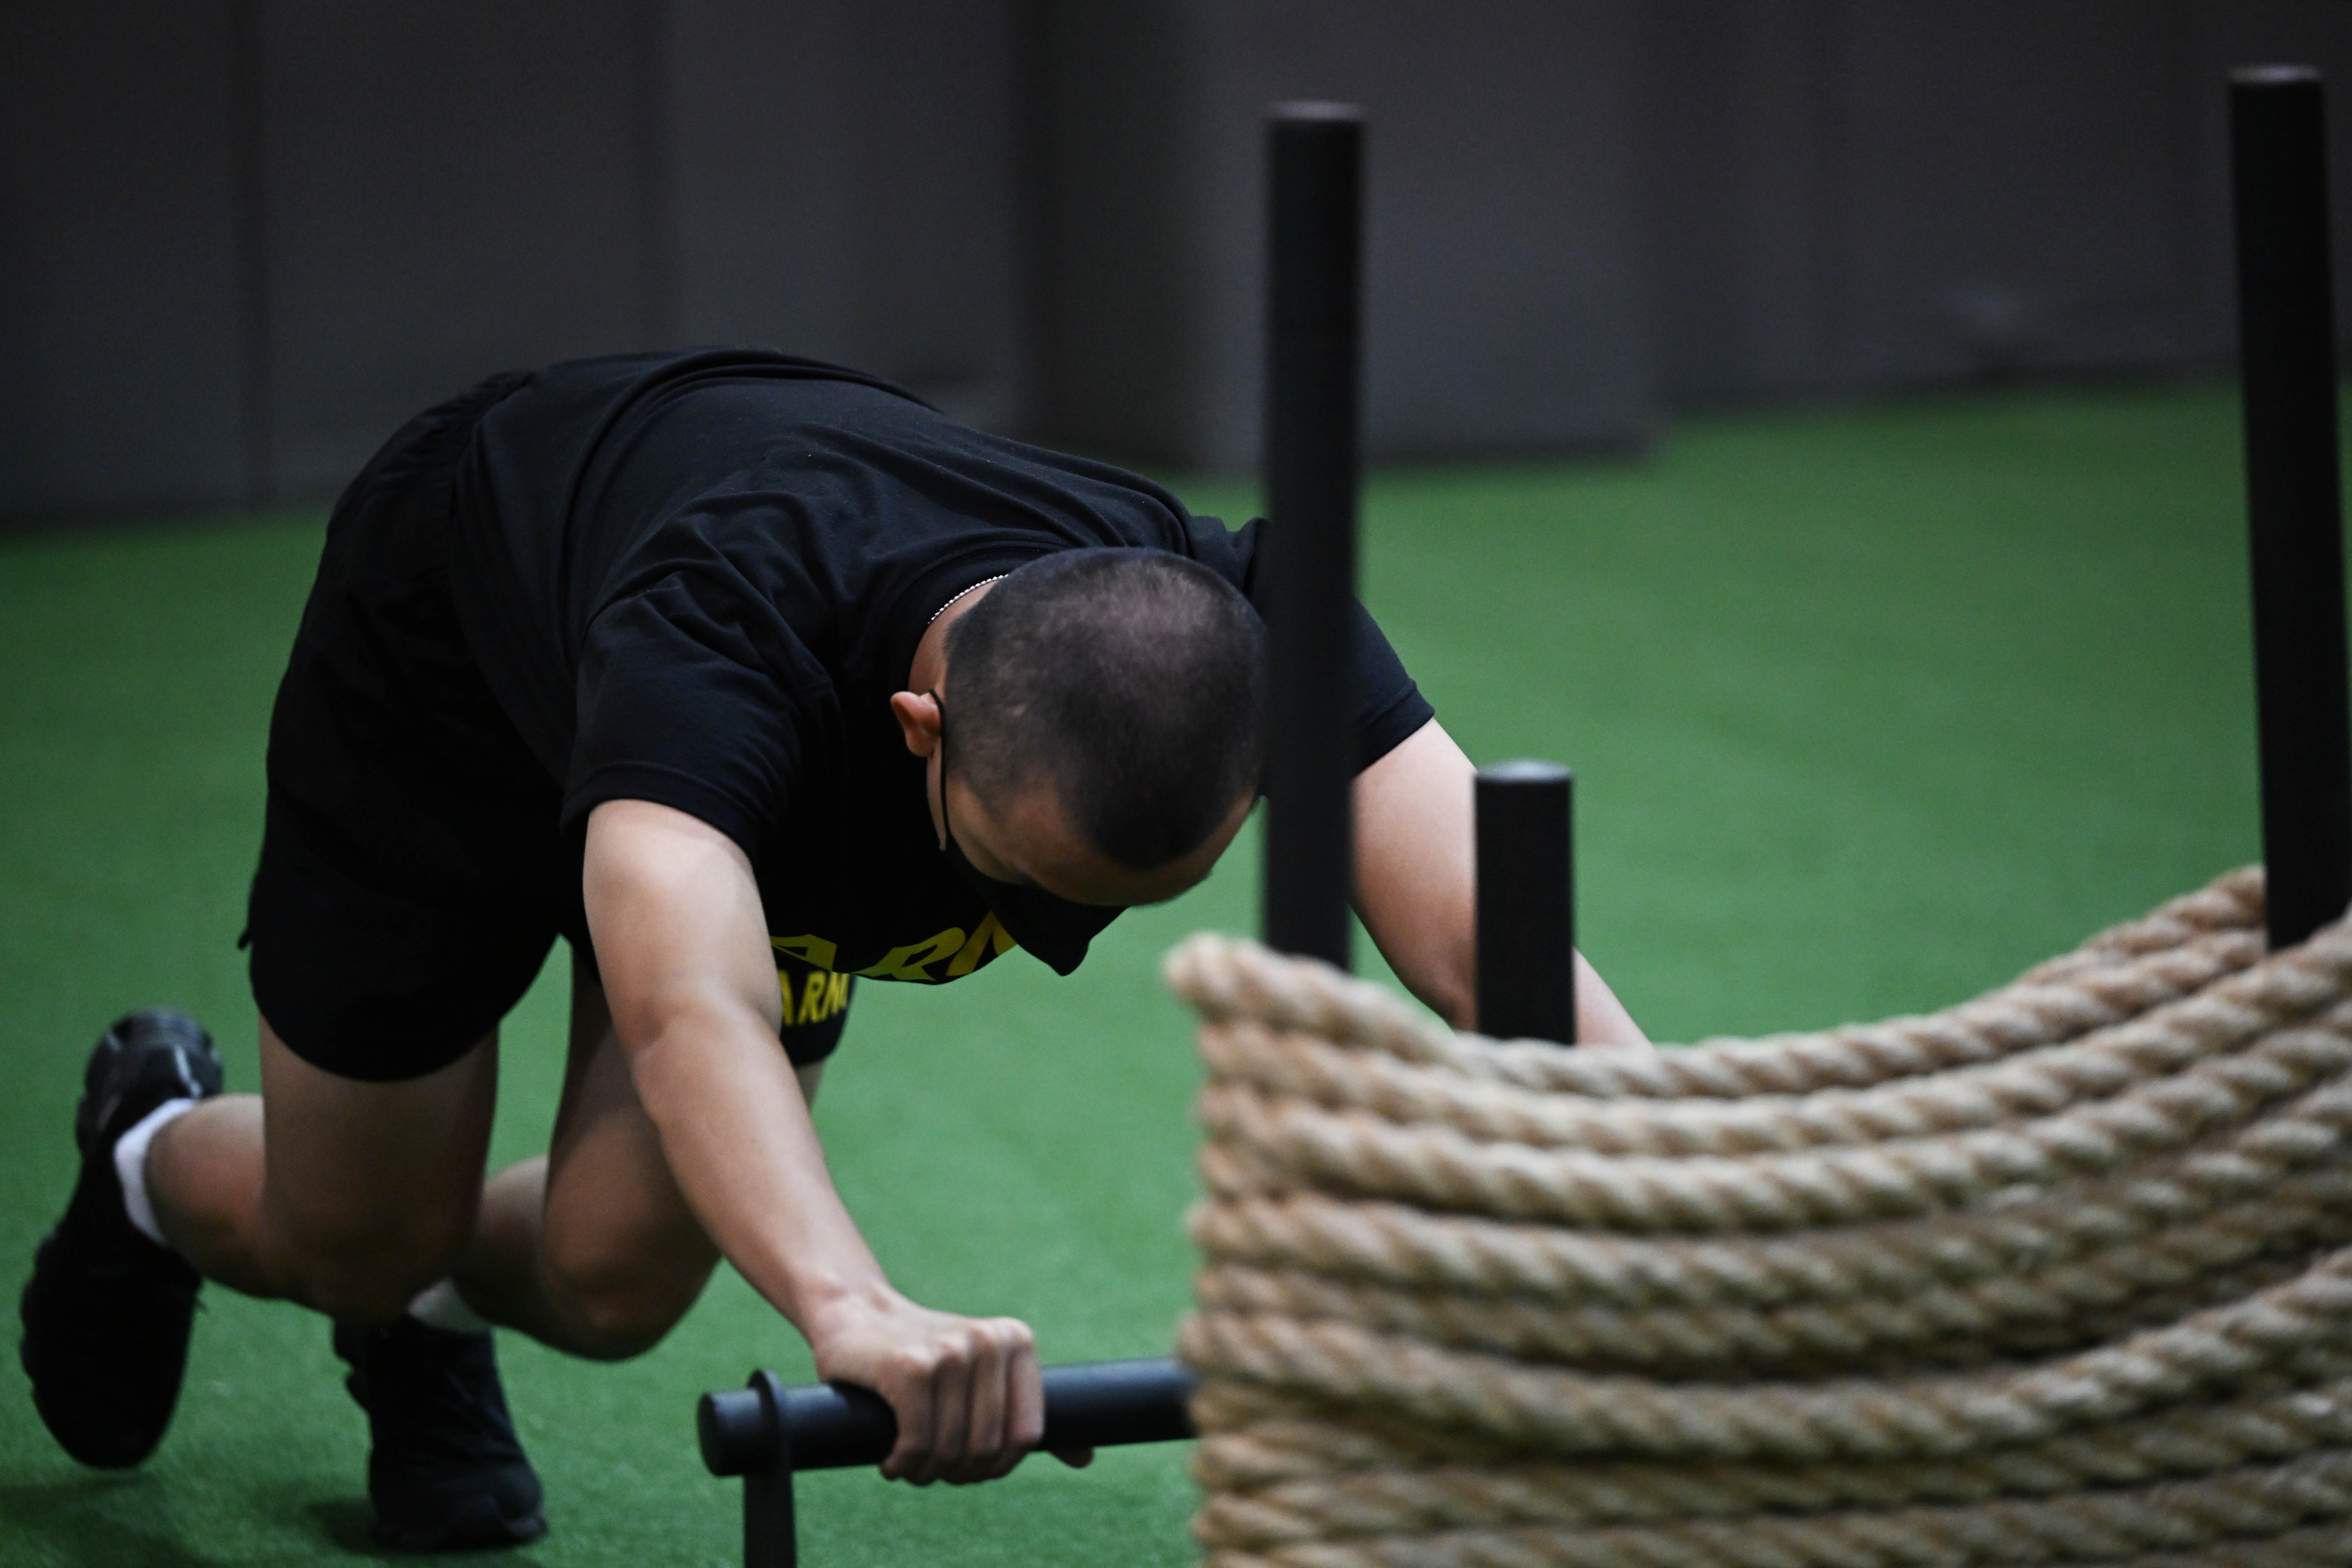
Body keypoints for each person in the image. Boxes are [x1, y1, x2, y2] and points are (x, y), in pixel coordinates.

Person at [18, 349, 1647, 1549]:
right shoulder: (726, 643)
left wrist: (1665, 1181)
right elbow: (691, 1007)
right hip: (459, 671)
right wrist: (850, 1302)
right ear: (918, 732)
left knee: (609, 1274)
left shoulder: (1253, 616)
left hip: (727, 745)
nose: (1061, 938)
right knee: (355, 1233)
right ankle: (149, 1155)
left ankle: (426, 1326)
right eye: (1026, 880)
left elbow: (1482, 942)